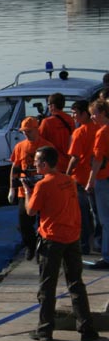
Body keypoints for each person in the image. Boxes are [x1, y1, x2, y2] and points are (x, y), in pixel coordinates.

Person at [24, 146, 99, 341]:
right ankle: (86, 329)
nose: (34, 164)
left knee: (47, 286)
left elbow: (31, 211)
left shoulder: (43, 185)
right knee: (76, 284)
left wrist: (26, 191)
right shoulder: (69, 181)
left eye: (37, 162)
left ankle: (45, 329)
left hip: (52, 239)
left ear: (45, 164)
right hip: (72, 237)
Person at [9, 117, 53, 260]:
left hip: (44, 190)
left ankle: (44, 247)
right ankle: (30, 246)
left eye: (29, 131)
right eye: (24, 131)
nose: (26, 134)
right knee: (24, 223)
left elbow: (53, 169)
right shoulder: (19, 147)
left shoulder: (47, 146)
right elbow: (15, 168)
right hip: (25, 191)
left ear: (37, 129)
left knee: (44, 221)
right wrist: (12, 188)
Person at [65, 100, 98, 255]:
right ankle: (99, 243)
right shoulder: (100, 128)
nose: (73, 116)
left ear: (85, 114)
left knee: (83, 214)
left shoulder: (79, 132)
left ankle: (84, 245)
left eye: (75, 113)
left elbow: (75, 157)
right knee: (99, 214)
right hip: (98, 176)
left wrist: (67, 173)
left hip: (80, 178)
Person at [86, 99, 109, 269]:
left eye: (94, 113)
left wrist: (90, 181)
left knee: (105, 220)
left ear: (102, 113)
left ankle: (107, 256)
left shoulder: (102, 132)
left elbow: (97, 160)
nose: (92, 117)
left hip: (104, 179)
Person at [38, 92, 74, 172]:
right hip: (68, 161)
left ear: (52, 106)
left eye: (48, 104)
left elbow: (39, 140)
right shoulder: (70, 120)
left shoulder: (46, 122)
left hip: (53, 163)